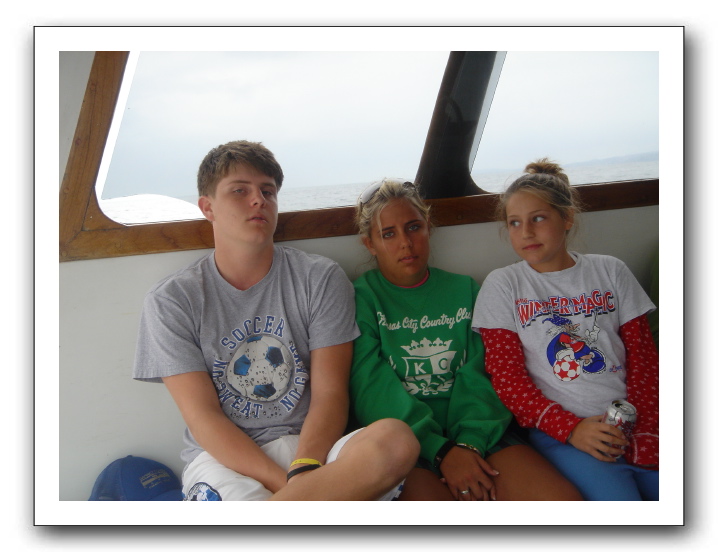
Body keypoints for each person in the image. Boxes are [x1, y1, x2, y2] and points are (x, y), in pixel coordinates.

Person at [133, 141, 419, 501]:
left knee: (396, 440)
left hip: (313, 449)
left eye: (267, 191)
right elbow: (204, 418)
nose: (259, 200)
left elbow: (330, 395)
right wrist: (296, 492)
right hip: (225, 459)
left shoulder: (319, 278)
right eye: (240, 190)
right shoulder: (172, 300)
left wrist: (304, 471)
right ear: (208, 207)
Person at [349, 178, 582, 501]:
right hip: (408, 444)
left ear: (428, 227)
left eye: (414, 227)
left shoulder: (466, 290)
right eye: (388, 234)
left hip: (480, 434)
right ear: (370, 244)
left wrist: (468, 444)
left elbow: (485, 372)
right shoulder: (361, 298)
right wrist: (440, 450)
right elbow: (371, 389)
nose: (406, 243)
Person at [472, 159, 659, 501]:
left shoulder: (611, 271)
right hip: (561, 433)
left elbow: (645, 361)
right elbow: (508, 379)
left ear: (567, 218)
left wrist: (646, 434)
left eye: (538, 218)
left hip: (637, 425)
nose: (526, 232)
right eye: (514, 223)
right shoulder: (504, 285)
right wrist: (571, 429)